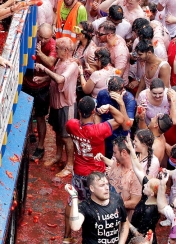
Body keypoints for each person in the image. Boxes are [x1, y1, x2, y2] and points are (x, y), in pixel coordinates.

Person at [63, 96, 127, 242]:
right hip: (96, 175)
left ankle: (67, 237)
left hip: (79, 172)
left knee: (72, 202)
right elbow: (121, 120)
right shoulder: (99, 130)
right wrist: (110, 108)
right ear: (93, 111)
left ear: (79, 111)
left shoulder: (71, 125)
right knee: (103, 204)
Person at [34, 37, 79, 178]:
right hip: (56, 103)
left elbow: (60, 79)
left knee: (67, 136)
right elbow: (56, 76)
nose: (55, 51)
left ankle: (70, 164)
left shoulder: (72, 65)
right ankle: (58, 155)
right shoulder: (60, 61)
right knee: (58, 132)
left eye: (57, 48)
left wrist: (44, 70)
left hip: (66, 104)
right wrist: (44, 79)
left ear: (66, 50)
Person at [66, 172, 130, 243]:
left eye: (107, 184)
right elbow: (75, 226)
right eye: (102, 185)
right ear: (92, 188)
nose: (106, 188)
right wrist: (74, 197)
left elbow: (125, 223)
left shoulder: (116, 199)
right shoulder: (85, 207)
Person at [24, 23, 57, 161]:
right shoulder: (31, 38)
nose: (42, 40)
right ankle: (31, 133)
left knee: (40, 116)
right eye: (41, 37)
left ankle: (41, 146)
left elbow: (50, 62)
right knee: (26, 112)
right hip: (27, 82)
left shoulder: (52, 45)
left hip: (42, 86)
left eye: (45, 38)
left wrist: (40, 53)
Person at [124, 136, 161, 243]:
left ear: (152, 192)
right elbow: (139, 170)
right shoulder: (148, 194)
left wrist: (125, 221)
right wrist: (131, 150)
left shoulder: (150, 210)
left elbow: (139, 234)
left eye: (147, 186)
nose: (144, 185)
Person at [97, 76, 136, 157]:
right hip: (105, 135)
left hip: (121, 138)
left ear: (122, 90)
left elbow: (127, 127)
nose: (113, 96)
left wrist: (121, 104)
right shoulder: (102, 94)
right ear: (108, 89)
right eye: (111, 93)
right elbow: (97, 115)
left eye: (116, 93)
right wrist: (98, 131)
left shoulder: (129, 99)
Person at [96, 21, 131, 85]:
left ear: (109, 35)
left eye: (100, 34)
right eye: (97, 33)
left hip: (117, 85)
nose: (97, 36)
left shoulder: (120, 52)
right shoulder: (114, 38)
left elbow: (118, 75)